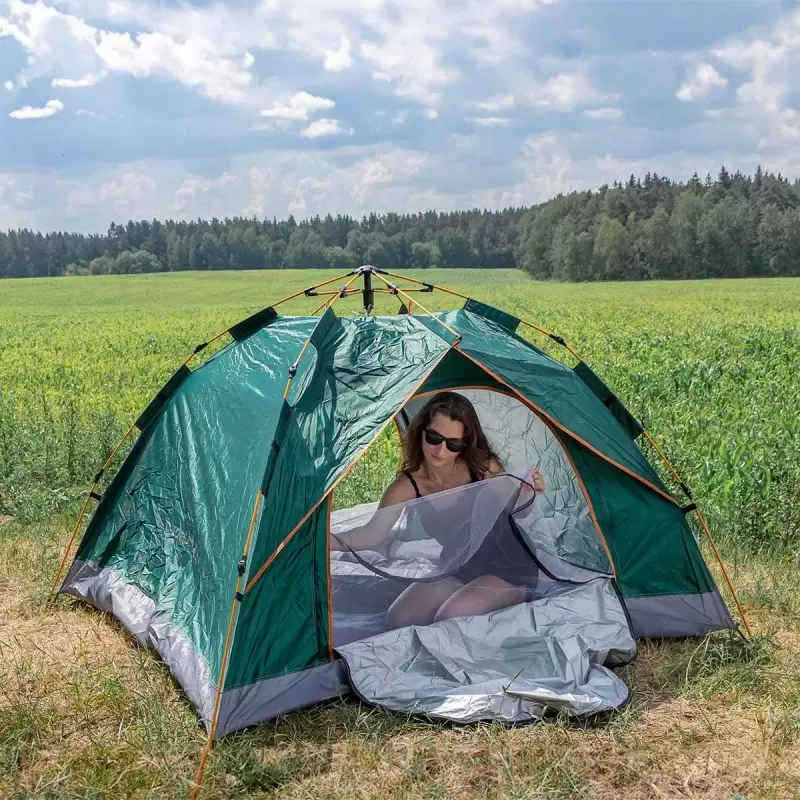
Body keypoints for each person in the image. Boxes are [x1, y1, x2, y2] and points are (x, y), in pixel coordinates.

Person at [331, 391, 546, 629]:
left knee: (449, 617)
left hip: (507, 564)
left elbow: (518, 511)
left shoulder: (482, 467)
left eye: (453, 444)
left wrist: (529, 494)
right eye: (434, 437)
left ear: (464, 444)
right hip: (460, 563)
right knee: (399, 618)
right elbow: (373, 533)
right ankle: (475, 596)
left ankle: (515, 595)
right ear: (421, 430)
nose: (440, 451)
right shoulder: (408, 484)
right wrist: (328, 541)